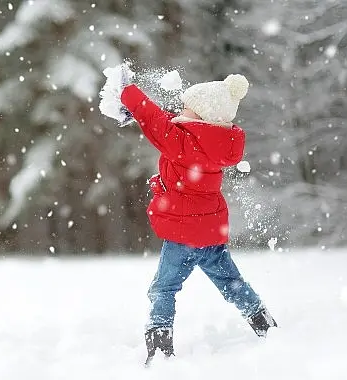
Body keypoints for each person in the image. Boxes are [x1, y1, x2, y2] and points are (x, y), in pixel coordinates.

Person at [112, 65, 277, 364]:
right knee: (232, 282)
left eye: (186, 109)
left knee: (163, 288)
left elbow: (155, 121)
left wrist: (127, 92)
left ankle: (160, 345)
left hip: (184, 235)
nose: (180, 113)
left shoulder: (184, 142)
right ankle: (262, 321)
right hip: (209, 232)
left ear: (201, 117)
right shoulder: (213, 145)